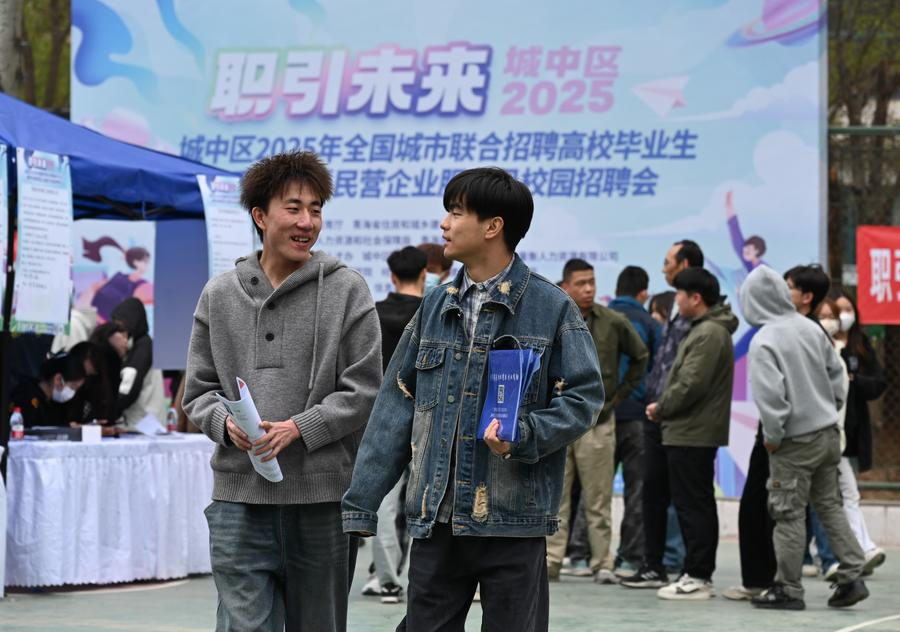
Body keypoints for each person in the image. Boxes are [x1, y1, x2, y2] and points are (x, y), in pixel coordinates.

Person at [342, 167, 604, 632]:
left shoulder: (551, 307)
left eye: (456, 211)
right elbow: (396, 404)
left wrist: (524, 435)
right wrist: (361, 502)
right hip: (436, 517)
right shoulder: (435, 306)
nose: (444, 223)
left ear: (493, 226)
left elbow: (584, 397)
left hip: (511, 519)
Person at [183, 151, 383, 632]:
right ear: (259, 215)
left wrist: (299, 427)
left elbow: (365, 388)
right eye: (293, 208)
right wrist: (226, 426)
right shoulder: (220, 293)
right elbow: (198, 391)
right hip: (239, 501)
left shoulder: (348, 289)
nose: (307, 222)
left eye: (315, 209)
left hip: (322, 502)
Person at [741, 265, 869, 610]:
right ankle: (852, 575)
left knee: (788, 513)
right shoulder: (810, 330)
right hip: (827, 434)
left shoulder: (765, 339)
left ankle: (788, 589)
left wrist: (774, 434)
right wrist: (830, 407)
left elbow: (771, 397)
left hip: (794, 442)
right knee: (829, 506)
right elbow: (837, 376)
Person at [546, 259, 648, 584]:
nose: (589, 289)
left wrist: (618, 395)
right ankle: (551, 561)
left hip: (598, 420)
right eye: (581, 283)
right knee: (556, 497)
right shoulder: (552, 318)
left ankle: (602, 562)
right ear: (565, 287)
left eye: (592, 282)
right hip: (558, 420)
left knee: (598, 496)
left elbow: (640, 356)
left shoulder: (613, 321)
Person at [644, 268, 737, 600]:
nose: (676, 301)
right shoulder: (704, 330)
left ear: (696, 298)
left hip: (692, 433)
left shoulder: (709, 333)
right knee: (691, 503)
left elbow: (690, 384)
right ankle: (694, 571)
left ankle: (697, 574)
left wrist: (661, 406)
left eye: (680, 295)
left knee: (693, 505)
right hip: (686, 431)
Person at [622, 240, 704, 590]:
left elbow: (688, 375)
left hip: (680, 419)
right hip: (656, 414)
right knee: (652, 492)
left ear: (683, 264)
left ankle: (691, 569)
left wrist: (665, 404)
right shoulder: (672, 307)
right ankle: (653, 564)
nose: (663, 268)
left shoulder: (702, 317)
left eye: (668, 261)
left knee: (686, 499)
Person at [367, 245, 428, 604]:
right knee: (425, 503)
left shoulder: (373, 314)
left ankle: (387, 580)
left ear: (391, 276)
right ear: (424, 275)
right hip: (426, 420)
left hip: (383, 419)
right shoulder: (435, 312)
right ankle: (422, 578)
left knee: (384, 505)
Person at [827, 289, 887, 575]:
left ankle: (854, 551)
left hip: (851, 432)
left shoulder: (860, 345)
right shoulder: (822, 344)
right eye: (834, 312)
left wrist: (853, 379)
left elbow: (877, 384)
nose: (841, 317)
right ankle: (856, 550)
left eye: (846, 310)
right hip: (826, 431)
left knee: (842, 493)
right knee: (839, 494)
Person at [608, 266, 661, 578]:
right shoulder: (650, 324)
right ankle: (629, 556)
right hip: (638, 414)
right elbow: (656, 367)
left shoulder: (598, 318)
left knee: (594, 491)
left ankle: (581, 554)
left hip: (599, 415)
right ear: (644, 293)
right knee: (637, 489)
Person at [111, 298, 167, 429]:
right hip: (145, 422)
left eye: (121, 325)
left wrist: (110, 413)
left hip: (143, 425)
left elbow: (129, 388)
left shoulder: (143, 346)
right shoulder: (142, 345)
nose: (119, 331)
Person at [9, 342, 93, 428]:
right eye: (73, 387)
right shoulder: (26, 396)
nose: (73, 393)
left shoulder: (55, 403)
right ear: (58, 379)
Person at [81, 236, 154, 322]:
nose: (147, 265)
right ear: (136, 262)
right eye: (145, 261)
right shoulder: (134, 282)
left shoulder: (122, 278)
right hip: (100, 320)